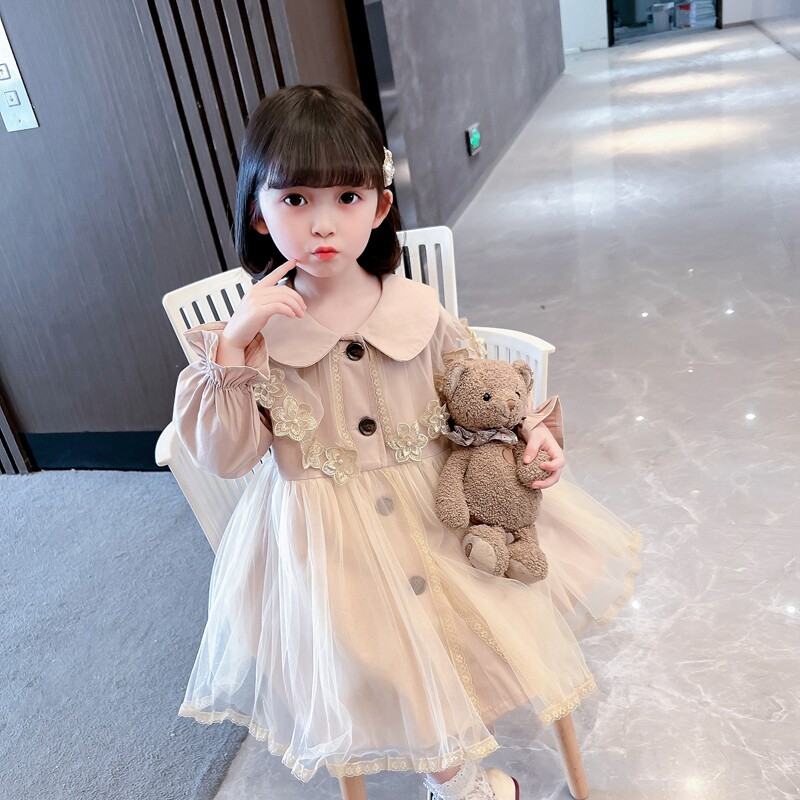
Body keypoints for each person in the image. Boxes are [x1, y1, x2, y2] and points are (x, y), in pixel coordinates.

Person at [172, 84, 642, 800]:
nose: (322, 223)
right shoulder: (254, 338)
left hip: (437, 504)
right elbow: (226, 456)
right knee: (376, 647)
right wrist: (236, 344)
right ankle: (454, 779)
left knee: (486, 614)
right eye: (295, 199)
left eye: (347, 197)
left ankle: (451, 771)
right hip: (327, 539)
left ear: (379, 206)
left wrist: (529, 429)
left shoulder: (416, 306)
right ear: (258, 213)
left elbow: (474, 386)